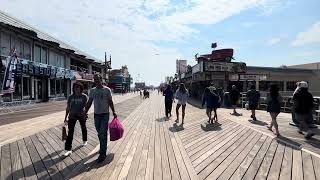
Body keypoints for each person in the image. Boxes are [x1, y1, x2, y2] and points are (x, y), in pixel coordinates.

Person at [85, 74, 117, 163]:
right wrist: (85, 112)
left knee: (102, 132)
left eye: (97, 79)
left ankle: (103, 153)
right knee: (100, 133)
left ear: (101, 79)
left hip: (105, 114)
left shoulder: (107, 90)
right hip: (96, 115)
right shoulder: (92, 91)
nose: (96, 80)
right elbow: (89, 102)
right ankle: (104, 146)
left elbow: (110, 101)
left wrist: (114, 111)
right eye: (94, 79)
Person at [63, 81, 88, 157]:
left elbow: (86, 107)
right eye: (74, 87)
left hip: (81, 115)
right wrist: (65, 117)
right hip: (72, 116)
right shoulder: (71, 97)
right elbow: (68, 108)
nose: (76, 89)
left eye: (77, 87)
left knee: (83, 128)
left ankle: (84, 140)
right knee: (70, 132)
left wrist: (85, 113)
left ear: (81, 88)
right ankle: (68, 149)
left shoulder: (84, 96)